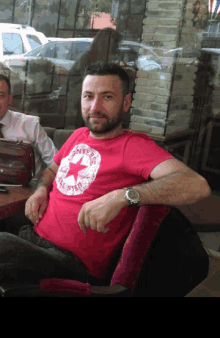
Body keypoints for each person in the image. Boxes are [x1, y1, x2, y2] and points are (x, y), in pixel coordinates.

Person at [0, 62, 211, 287]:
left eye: (107, 97)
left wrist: (121, 196)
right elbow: (53, 169)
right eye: (88, 96)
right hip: (32, 236)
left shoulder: (133, 146)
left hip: (70, 262)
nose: (95, 106)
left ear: (126, 102)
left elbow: (197, 185)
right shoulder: (78, 135)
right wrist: (41, 190)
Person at [0, 74, 57, 189]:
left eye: (0, 95)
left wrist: (42, 189)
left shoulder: (30, 124)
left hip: (26, 194)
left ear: (10, 99)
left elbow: (56, 162)